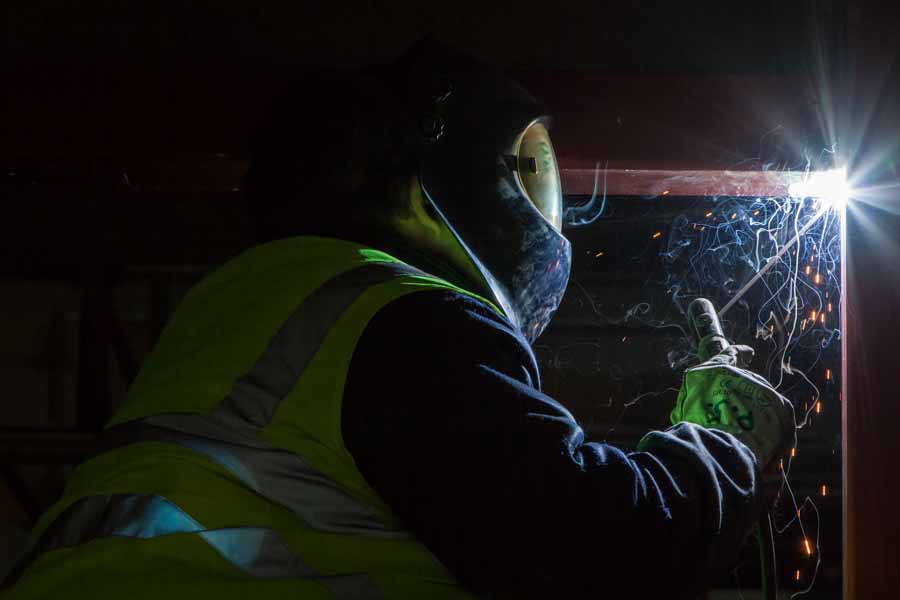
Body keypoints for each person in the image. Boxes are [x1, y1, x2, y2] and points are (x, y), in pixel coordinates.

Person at [4, 40, 795, 599]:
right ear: (437, 174)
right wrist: (726, 442)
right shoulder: (393, 313)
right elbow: (594, 545)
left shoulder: (253, 309)